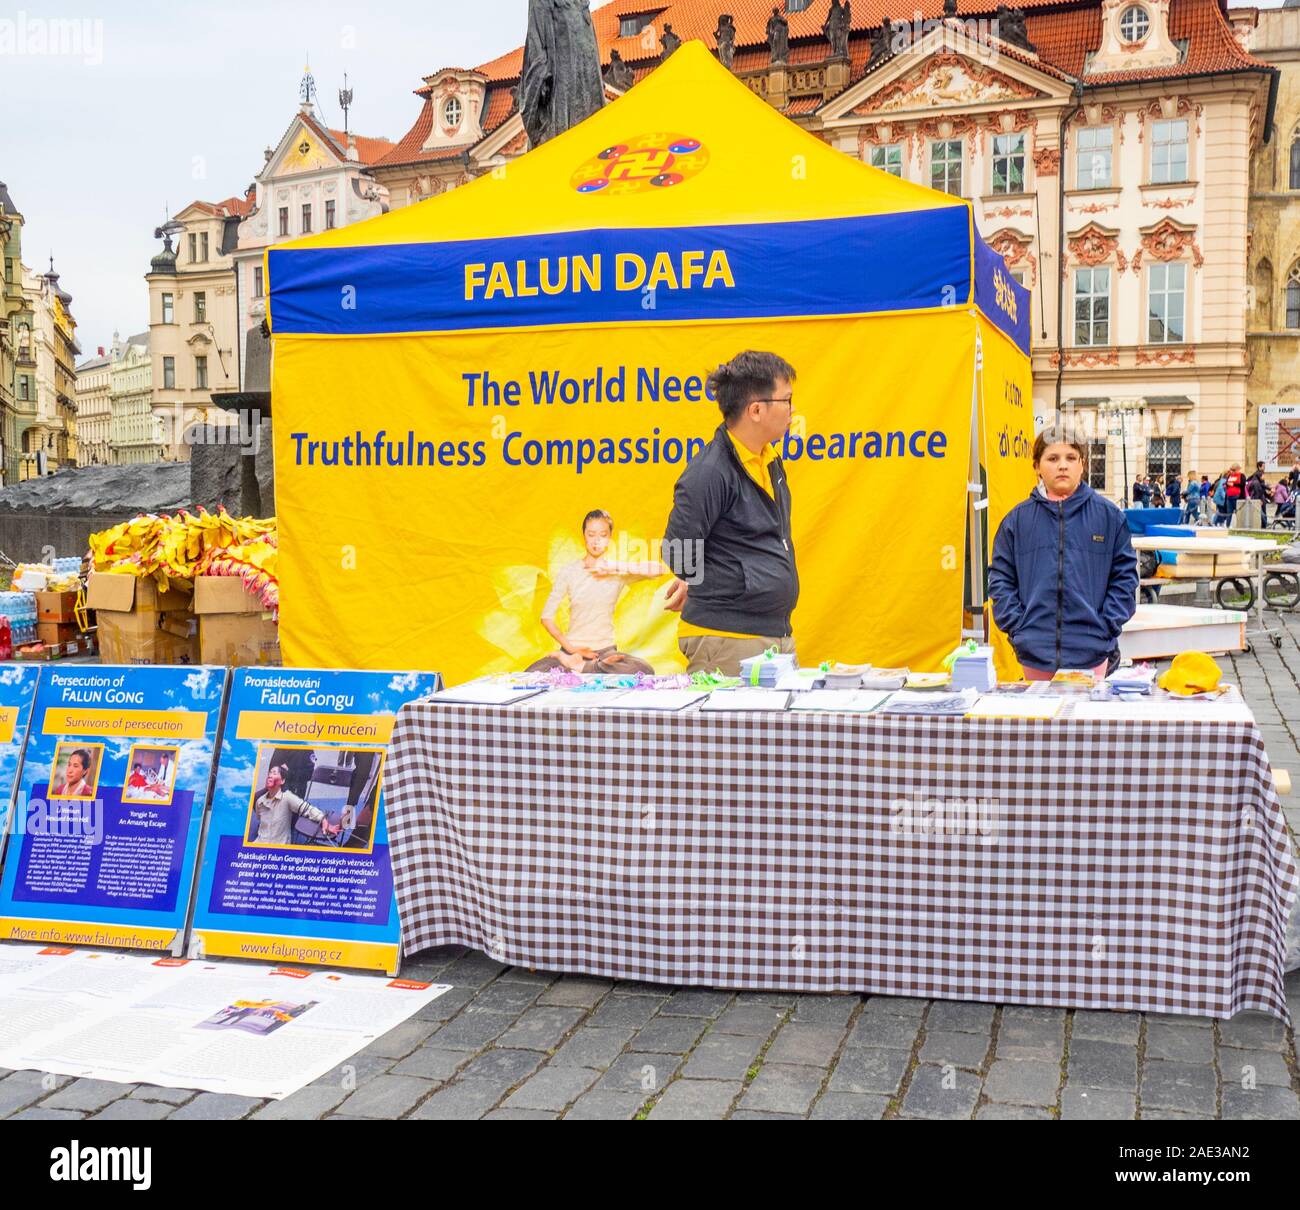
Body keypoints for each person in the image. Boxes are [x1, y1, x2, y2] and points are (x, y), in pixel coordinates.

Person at [662, 350, 798, 675]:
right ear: (756, 409)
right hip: (727, 640)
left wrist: (696, 580)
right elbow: (678, 550)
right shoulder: (710, 472)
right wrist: (700, 582)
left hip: (771, 634)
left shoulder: (770, 461)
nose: (793, 410)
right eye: (787, 400)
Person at [988, 426, 1138, 680]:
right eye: (1053, 458)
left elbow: (1125, 578)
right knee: (1039, 720)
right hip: (1035, 653)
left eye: (1071, 458)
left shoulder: (1109, 517)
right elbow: (1001, 579)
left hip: (1092, 651)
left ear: (1083, 465)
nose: (1062, 466)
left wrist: (1106, 626)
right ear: (1037, 466)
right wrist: (1019, 629)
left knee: (1086, 720)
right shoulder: (1017, 521)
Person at [528, 509, 662, 674]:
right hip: (571, 652)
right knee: (532, 674)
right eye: (591, 534)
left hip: (605, 654)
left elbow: (659, 569)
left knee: (644, 670)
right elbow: (546, 617)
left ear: (609, 538)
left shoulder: (616, 572)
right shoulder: (569, 571)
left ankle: (585, 668)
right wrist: (572, 650)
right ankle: (583, 666)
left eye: (602, 535)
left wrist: (615, 567)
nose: (596, 541)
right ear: (584, 535)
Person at [250, 763, 339, 845]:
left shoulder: (287, 797)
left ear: (282, 781)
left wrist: (324, 820)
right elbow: (259, 818)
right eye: (269, 773)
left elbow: (308, 809)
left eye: (274, 773)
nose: (270, 775)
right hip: (260, 842)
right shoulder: (260, 801)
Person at [1247, 461, 1271, 527]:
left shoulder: (1256, 474)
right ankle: (1265, 524)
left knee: (1261, 511)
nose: (1264, 467)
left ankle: (1264, 525)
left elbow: (1261, 486)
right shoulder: (1259, 474)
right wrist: (1270, 488)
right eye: (1263, 466)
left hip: (1259, 495)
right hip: (1259, 495)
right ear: (1259, 467)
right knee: (1262, 511)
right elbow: (1260, 486)